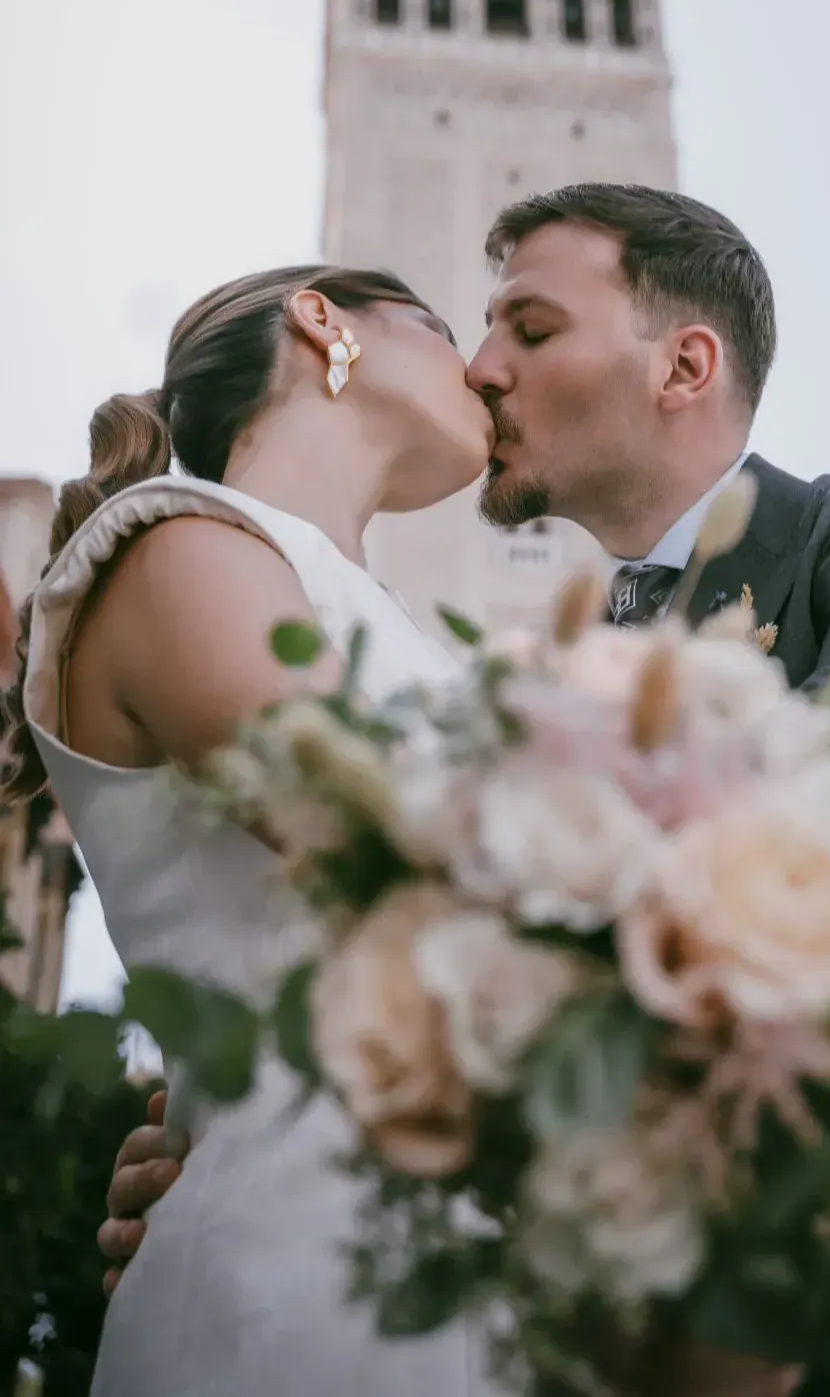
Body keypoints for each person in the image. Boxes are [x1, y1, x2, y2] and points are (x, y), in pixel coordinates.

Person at [92, 184, 830, 1386]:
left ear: (683, 364)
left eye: (529, 330)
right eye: (473, 331)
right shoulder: (517, 687)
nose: (484, 369)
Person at [1, 265, 502, 1397]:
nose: (481, 364)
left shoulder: (408, 636)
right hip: (306, 1280)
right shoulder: (175, 548)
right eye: (444, 326)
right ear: (323, 317)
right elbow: (395, 843)